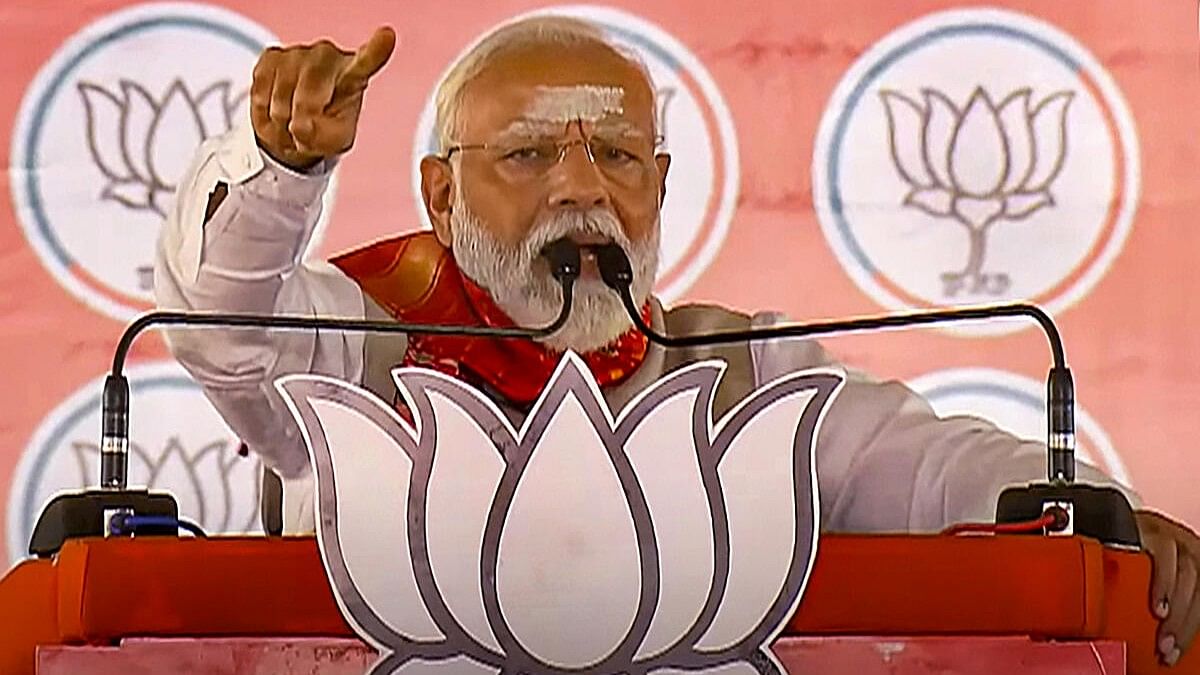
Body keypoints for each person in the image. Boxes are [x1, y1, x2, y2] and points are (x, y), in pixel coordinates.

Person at [155, 16, 1200, 665]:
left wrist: (1087, 518)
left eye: (615, 152)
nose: (580, 187)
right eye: (526, 155)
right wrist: (278, 170)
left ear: (658, 187)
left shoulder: (748, 369)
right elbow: (220, 325)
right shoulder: (352, 348)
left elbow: (932, 470)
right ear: (440, 191)